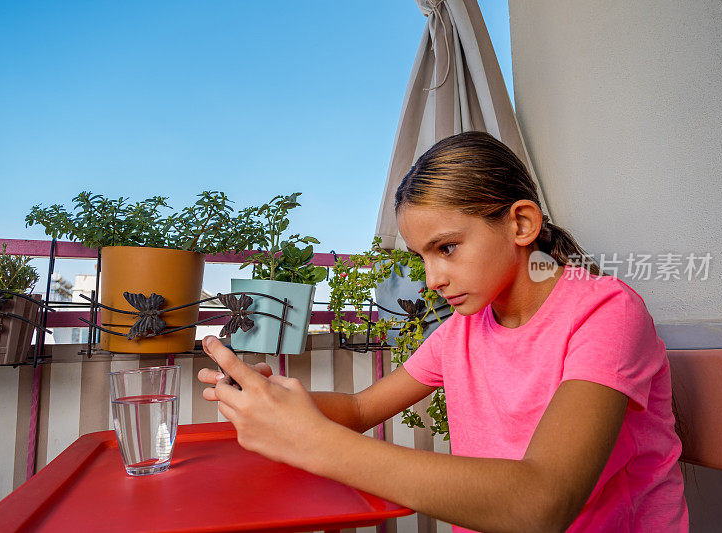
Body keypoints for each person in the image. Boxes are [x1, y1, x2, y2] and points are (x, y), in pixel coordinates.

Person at [198, 131, 688, 532]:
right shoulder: (463, 330)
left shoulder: (607, 313)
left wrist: (314, 443)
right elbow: (360, 408)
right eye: (422, 258)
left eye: (447, 248)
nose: (432, 280)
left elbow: (543, 502)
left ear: (521, 224)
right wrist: (272, 399)